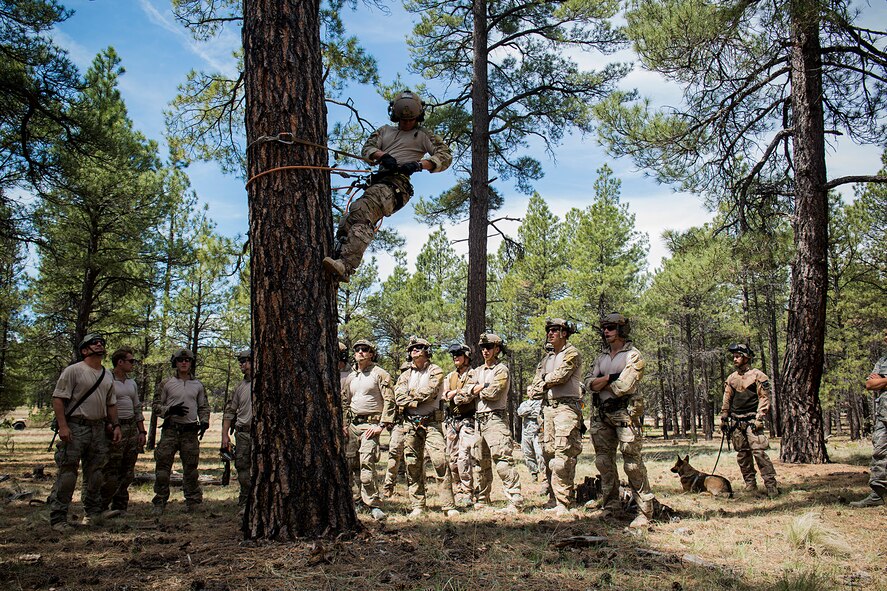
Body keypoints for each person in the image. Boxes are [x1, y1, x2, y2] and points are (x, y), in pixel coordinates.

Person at [323, 91, 452, 282]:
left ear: (418, 117)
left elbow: (445, 155)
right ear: (395, 116)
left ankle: (346, 265)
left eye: (411, 120)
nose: (407, 123)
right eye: (403, 120)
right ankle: (337, 263)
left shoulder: (423, 136)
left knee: (361, 210)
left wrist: (418, 165)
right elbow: (367, 149)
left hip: (397, 185)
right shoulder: (385, 132)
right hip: (380, 181)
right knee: (348, 222)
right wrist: (383, 156)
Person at [586, 313, 657, 528]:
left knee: (632, 463)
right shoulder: (602, 357)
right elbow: (588, 383)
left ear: (622, 329)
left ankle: (644, 512)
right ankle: (611, 507)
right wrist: (610, 378)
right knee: (603, 462)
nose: (606, 331)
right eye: (604, 327)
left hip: (625, 413)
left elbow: (623, 387)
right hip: (602, 413)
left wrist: (603, 383)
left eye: (611, 327)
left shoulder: (633, 356)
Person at [48, 333, 120, 531]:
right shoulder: (74, 371)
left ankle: (93, 513)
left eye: (101, 343)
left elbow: (111, 403)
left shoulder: (107, 375)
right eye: (94, 343)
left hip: (98, 428)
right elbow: (58, 399)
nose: (99, 345)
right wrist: (63, 426)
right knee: (68, 472)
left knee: (96, 473)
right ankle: (58, 517)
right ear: (84, 350)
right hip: (75, 426)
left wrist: (115, 425)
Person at [457, 333, 523, 514]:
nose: (485, 351)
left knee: (502, 460)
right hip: (479, 420)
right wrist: (477, 388)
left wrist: (475, 390)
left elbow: (494, 393)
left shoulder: (501, 370)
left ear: (497, 349)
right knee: (479, 462)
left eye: (489, 347)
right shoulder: (476, 371)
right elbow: (460, 396)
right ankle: (483, 498)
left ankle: (515, 499)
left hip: (496, 419)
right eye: (483, 348)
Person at [395, 336, 459, 517]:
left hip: (431, 422)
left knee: (440, 460)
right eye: (412, 348)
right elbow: (398, 396)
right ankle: (418, 505)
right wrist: (412, 401)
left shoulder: (435, 370)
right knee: (412, 464)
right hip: (410, 423)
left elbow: (430, 393)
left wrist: (410, 398)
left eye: (419, 347)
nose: (415, 350)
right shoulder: (405, 374)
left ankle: (448, 505)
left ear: (427, 351)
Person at [529, 319, 583, 515]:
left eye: (554, 330)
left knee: (563, 455)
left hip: (566, 408)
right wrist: (542, 383)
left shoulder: (572, 353)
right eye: (548, 330)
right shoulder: (546, 360)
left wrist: (543, 382)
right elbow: (533, 388)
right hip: (548, 410)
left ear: (564, 333)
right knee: (547, 454)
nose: (550, 333)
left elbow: (561, 376)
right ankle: (553, 497)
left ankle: (564, 501)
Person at [151, 347, 209, 516]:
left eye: (187, 360)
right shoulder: (166, 383)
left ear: (191, 363)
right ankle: (160, 501)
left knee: (191, 469)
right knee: (162, 468)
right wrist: (169, 410)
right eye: (180, 360)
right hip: (171, 430)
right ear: (175, 363)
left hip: (190, 431)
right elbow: (155, 406)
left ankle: (193, 502)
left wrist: (204, 421)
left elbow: (203, 406)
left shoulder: (198, 385)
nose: (184, 363)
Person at [341, 339, 395, 521]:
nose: (361, 352)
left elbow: (389, 400)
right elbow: (345, 403)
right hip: (353, 427)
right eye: (357, 350)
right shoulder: (351, 377)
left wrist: (382, 425)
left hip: (371, 426)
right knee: (351, 464)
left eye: (365, 350)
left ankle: (373, 503)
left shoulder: (380, 374)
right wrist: (344, 424)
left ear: (371, 353)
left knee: (367, 463)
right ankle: (357, 499)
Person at [720, 343, 780, 498]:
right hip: (736, 422)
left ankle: (771, 486)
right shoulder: (732, 378)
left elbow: (764, 398)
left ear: (746, 357)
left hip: (753, 420)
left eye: (738, 356)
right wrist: (724, 418)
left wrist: (760, 417)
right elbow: (727, 399)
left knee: (759, 453)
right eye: (734, 356)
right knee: (742, 455)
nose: (735, 359)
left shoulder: (758, 376)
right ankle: (750, 485)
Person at [100, 347, 145, 517]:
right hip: (114, 428)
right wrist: (110, 425)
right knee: (111, 468)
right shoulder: (107, 379)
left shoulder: (131, 382)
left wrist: (141, 431)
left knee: (127, 470)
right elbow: (103, 404)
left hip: (131, 428)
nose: (133, 364)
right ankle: (103, 506)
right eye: (131, 361)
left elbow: (137, 407)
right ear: (120, 362)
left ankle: (120, 506)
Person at [850, 329, 887, 508]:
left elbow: (877, 382)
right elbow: (869, 384)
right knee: (879, 454)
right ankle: (877, 494)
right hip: (883, 417)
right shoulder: (882, 361)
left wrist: (883, 380)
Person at [443, 343, 478, 506]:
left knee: (465, 456)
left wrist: (456, 393)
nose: (455, 357)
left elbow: (467, 396)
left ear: (466, 356)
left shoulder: (474, 374)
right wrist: (455, 392)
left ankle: (468, 491)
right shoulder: (450, 376)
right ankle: (457, 490)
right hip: (452, 420)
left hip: (468, 419)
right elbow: (444, 395)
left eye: (458, 354)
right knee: (452, 458)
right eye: (453, 354)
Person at [222, 349, 253, 512]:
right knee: (242, 467)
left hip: (258, 434)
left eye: (245, 361)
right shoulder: (239, 387)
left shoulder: (264, 384)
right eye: (240, 361)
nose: (242, 364)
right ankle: (245, 498)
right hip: (242, 434)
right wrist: (224, 436)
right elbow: (229, 412)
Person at [382, 359, 411, 498]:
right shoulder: (397, 387)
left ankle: (414, 488)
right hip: (399, 424)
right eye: (403, 371)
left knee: (415, 458)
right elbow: (390, 404)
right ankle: (388, 486)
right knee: (394, 454)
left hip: (414, 423)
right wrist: (389, 421)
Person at [516, 396, 543, 481]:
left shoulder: (540, 402)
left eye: (532, 390)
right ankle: (533, 473)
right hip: (526, 433)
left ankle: (544, 475)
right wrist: (531, 410)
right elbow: (520, 412)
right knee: (528, 454)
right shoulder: (524, 403)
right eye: (528, 390)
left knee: (540, 453)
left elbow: (538, 413)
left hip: (537, 432)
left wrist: (527, 411)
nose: (530, 392)